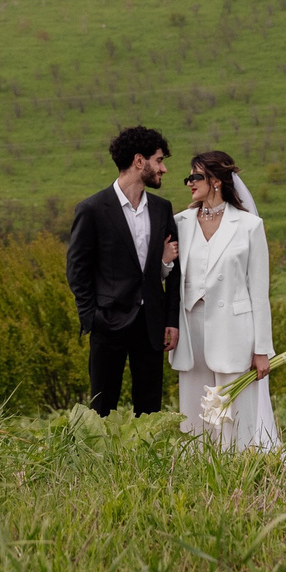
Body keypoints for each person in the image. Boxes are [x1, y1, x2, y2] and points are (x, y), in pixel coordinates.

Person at [64, 125, 180, 416]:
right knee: (101, 407)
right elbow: (77, 270)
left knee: (150, 409)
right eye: (159, 160)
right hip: (108, 322)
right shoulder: (91, 209)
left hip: (152, 324)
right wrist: (91, 317)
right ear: (139, 161)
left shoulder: (162, 209)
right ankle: (99, 462)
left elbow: (175, 271)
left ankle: (147, 462)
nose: (163, 169)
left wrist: (172, 320)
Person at [171, 149, 278, 451]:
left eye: (196, 176)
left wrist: (261, 350)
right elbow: (168, 276)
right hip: (192, 333)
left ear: (216, 180)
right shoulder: (180, 222)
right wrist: (165, 262)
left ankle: (238, 476)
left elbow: (259, 292)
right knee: (194, 417)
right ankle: (197, 477)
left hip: (235, 335)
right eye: (189, 177)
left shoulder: (248, 226)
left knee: (234, 417)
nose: (190, 182)